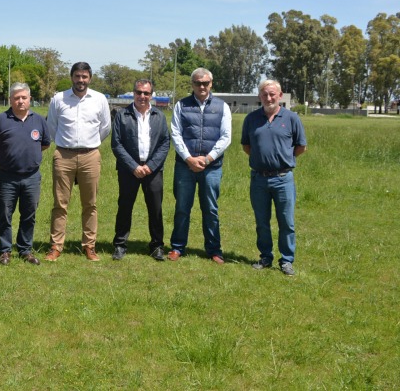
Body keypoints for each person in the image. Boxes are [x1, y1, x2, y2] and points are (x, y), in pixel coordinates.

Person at [45, 62, 111, 262]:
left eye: (84, 76)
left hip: (90, 155)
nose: (80, 80)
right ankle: (56, 246)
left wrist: (88, 144)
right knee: (60, 203)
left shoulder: (99, 99)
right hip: (63, 156)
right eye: (77, 76)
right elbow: (51, 127)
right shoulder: (59, 99)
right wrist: (66, 145)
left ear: (90, 78)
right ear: (71, 77)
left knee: (90, 204)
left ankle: (89, 246)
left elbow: (105, 128)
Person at [241, 79, 307, 276]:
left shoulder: (292, 118)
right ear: (259, 97)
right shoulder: (251, 119)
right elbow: (247, 146)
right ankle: (265, 257)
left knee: (286, 221)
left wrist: (283, 159)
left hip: (283, 179)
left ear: (280, 95)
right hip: (259, 179)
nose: (268, 98)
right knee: (262, 221)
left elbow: (301, 146)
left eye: (272, 94)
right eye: (264, 94)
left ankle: (286, 260)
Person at [168, 67, 232, 264]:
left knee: (210, 209)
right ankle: (177, 247)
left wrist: (207, 159)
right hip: (185, 166)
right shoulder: (181, 105)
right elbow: (175, 134)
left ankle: (214, 250)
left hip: (211, 167)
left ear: (211, 84)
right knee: (182, 208)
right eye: (198, 83)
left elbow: (226, 137)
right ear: (192, 84)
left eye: (205, 83)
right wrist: (189, 159)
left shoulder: (222, 106)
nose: (202, 86)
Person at [0, 82, 51, 265]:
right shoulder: (0, 120)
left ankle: (25, 250)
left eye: (24, 97)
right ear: (10, 100)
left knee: (29, 214)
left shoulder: (39, 120)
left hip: (32, 177)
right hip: (8, 177)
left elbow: (45, 144)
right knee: (5, 214)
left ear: (30, 99)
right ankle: (5, 250)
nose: (20, 101)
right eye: (16, 98)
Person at [110, 79, 171, 261]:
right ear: (133, 93)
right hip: (129, 170)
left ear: (151, 95)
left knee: (155, 208)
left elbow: (165, 143)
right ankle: (120, 244)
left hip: (153, 170)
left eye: (146, 93)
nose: (142, 96)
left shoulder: (159, 116)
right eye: (139, 92)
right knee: (125, 207)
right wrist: (134, 166)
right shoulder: (122, 115)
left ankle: (157, 246)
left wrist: (150, 166)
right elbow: (117, 144)